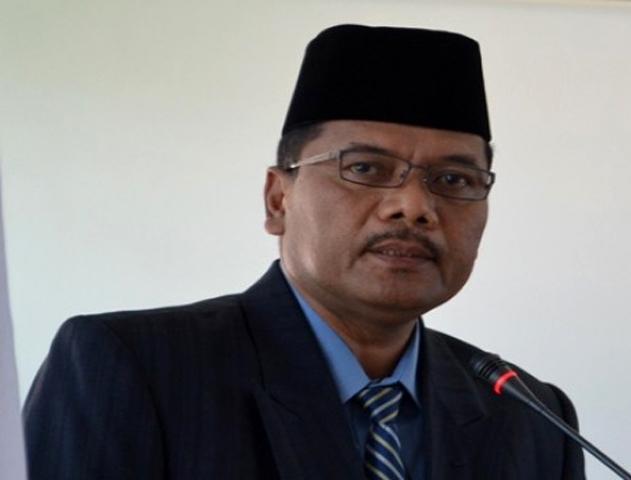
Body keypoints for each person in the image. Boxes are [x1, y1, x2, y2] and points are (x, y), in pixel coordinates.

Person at [23, 24, 585, 479]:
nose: (414, 207)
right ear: (278, 199)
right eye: (365, 168)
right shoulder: (134, 368)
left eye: (454, 180)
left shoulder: (530, 416)